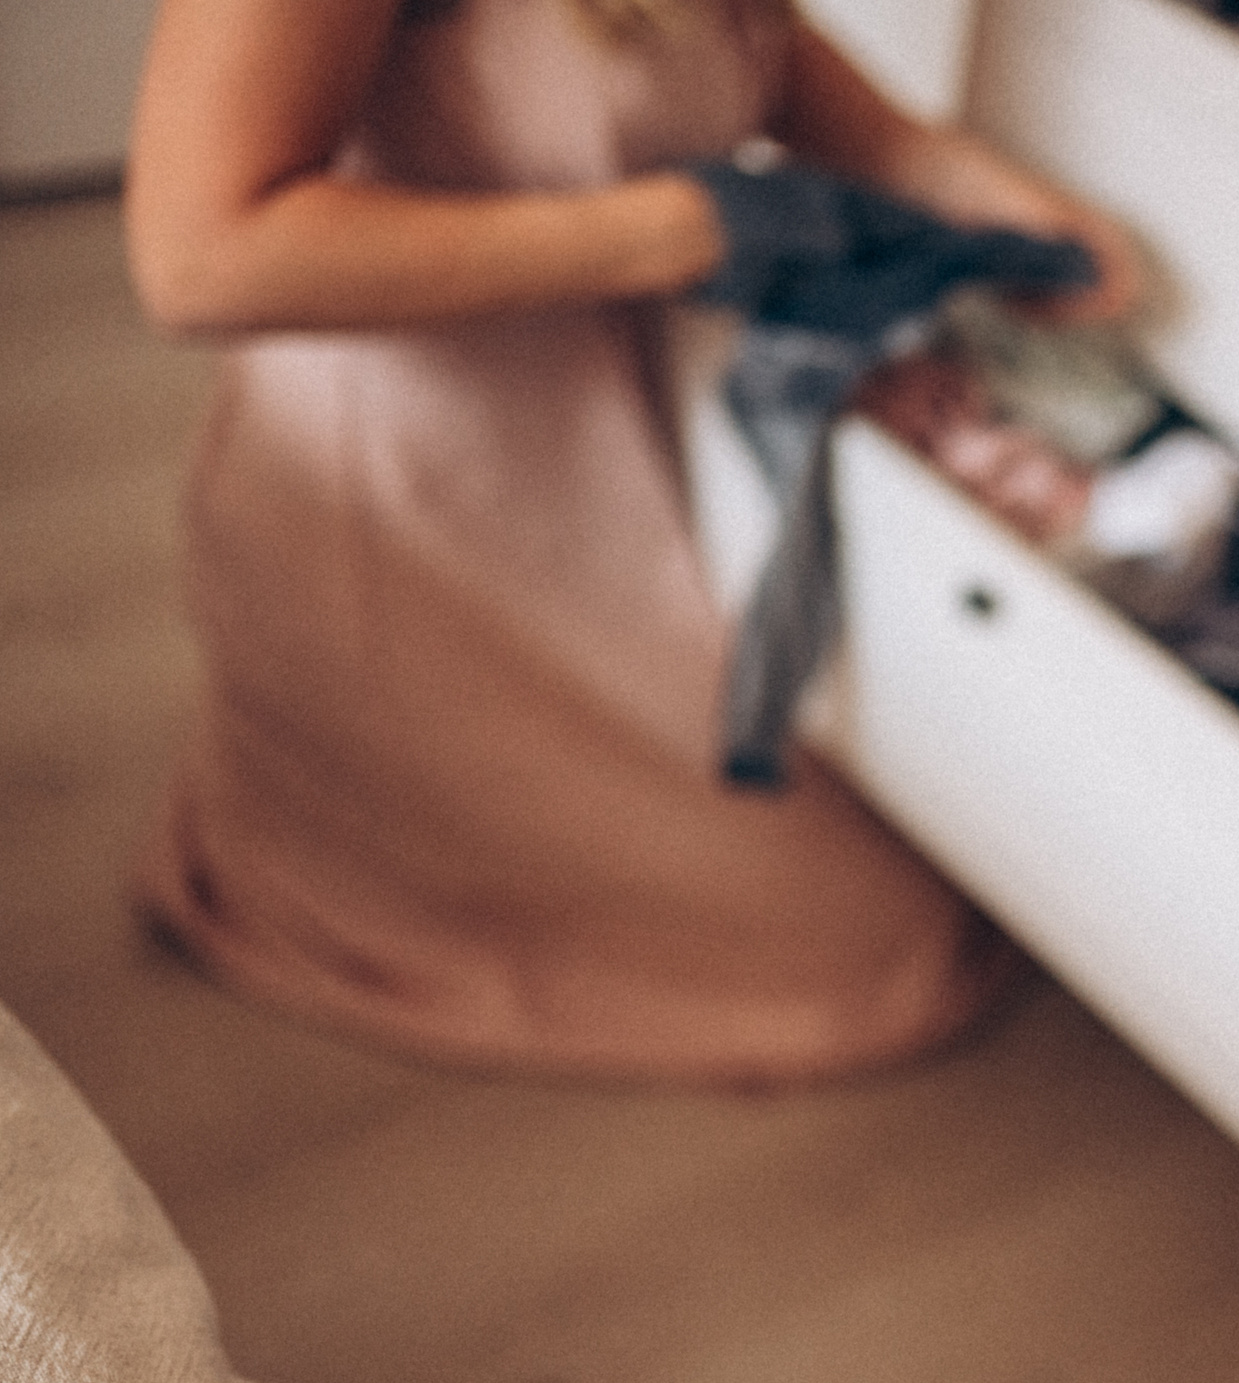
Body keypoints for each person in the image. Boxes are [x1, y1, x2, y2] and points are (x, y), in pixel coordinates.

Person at [119, 0, 1143, 1081]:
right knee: (865, 957)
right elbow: (198, 260)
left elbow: (753, 44)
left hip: (620, 442)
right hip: (426, 498)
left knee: (928, 887)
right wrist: (681, 230)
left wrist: (952, 181)